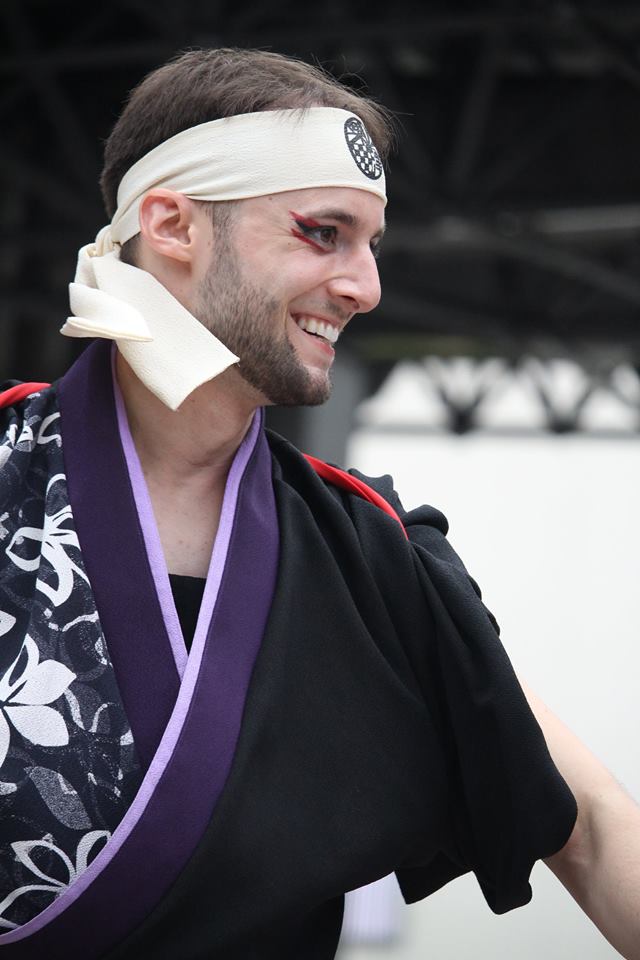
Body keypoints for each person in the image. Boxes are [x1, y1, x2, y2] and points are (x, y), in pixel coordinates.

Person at [0, 47, 638, 960]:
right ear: (172, 224)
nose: (366, 287)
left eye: (370, 245)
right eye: (321, 232)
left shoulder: (371, 554)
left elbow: (593, 823)